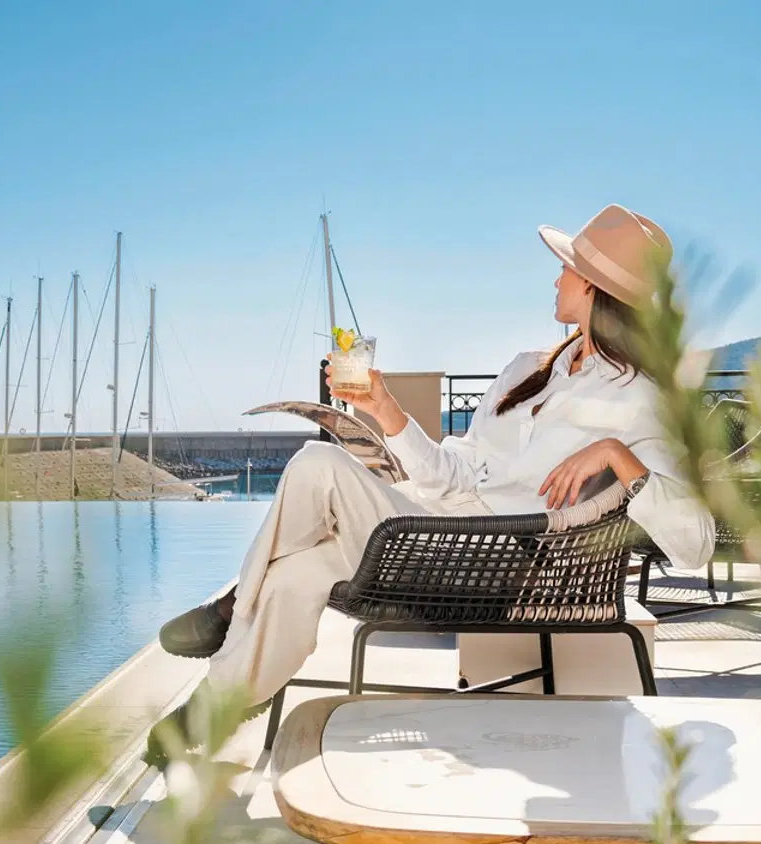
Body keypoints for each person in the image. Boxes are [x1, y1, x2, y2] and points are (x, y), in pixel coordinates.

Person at [147, 203, 715, 763]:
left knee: (316, 463)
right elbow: (452, 472)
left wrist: (616, 455)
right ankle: (216, 708)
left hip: (497, 564)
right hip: (429, 536)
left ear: (592, 285)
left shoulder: (641, 399)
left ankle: (230, 609)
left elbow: (696, 543)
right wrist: (384, 408)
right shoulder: (527, 370)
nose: (555, 279)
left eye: (565, 268)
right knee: (295, 575)